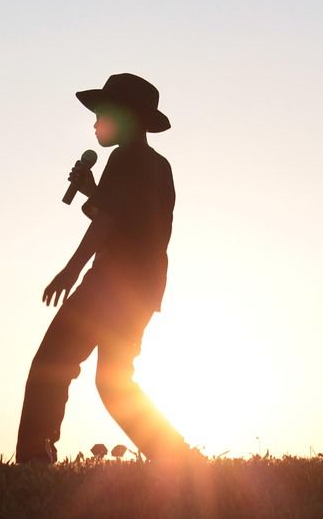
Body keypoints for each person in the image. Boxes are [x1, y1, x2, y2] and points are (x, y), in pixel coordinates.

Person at [16, 73, 192, 464]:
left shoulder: (126, 158)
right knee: (113, 382)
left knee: (51, 363)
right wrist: (92, 191)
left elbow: (107, 223)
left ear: (127, 117)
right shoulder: (156, 165)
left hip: (110, 285)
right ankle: (177, 457)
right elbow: (128, 219)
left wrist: (70, 271)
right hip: (143, 289)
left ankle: (33, 458)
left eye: (102, 113)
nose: (95, 122)